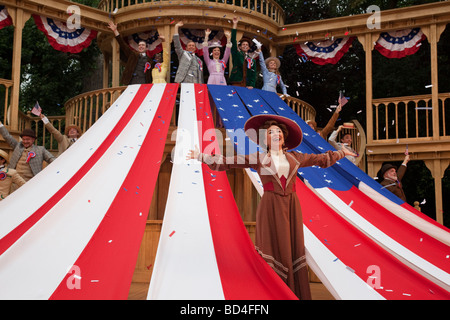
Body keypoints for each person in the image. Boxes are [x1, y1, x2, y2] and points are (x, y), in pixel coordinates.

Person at [187, 114, 356, 299]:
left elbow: (321, 159)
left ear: (284, 137)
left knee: (292, 249)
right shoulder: (259, 157)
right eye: (270, 132)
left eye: (279, 131)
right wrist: (202, 156)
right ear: (265, 138)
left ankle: (292, 293)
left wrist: (342, 153)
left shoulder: (295, 157)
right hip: (270, 208)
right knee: (271, 249)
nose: (276, 134)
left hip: (292, 207)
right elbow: (229, 162)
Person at [107, 21, 154, 85]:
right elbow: (123, 44)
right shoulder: (133, 55)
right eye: (139, 45)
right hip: (131, 83)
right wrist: (115, 31)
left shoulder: (150, 61)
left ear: (146, 48)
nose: (141, 46)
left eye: (143, 45)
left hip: (144, 84)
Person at [229, 17, 257, 88]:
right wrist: (235, 25)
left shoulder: (252, 60)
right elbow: (233, 41)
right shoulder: (237, 54)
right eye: (243, 44)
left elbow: (253, 74)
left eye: (247, 45)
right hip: (236, 82)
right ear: (240, 47)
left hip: (247, 85)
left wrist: (251, 85)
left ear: (249, 48)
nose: (245, 46)